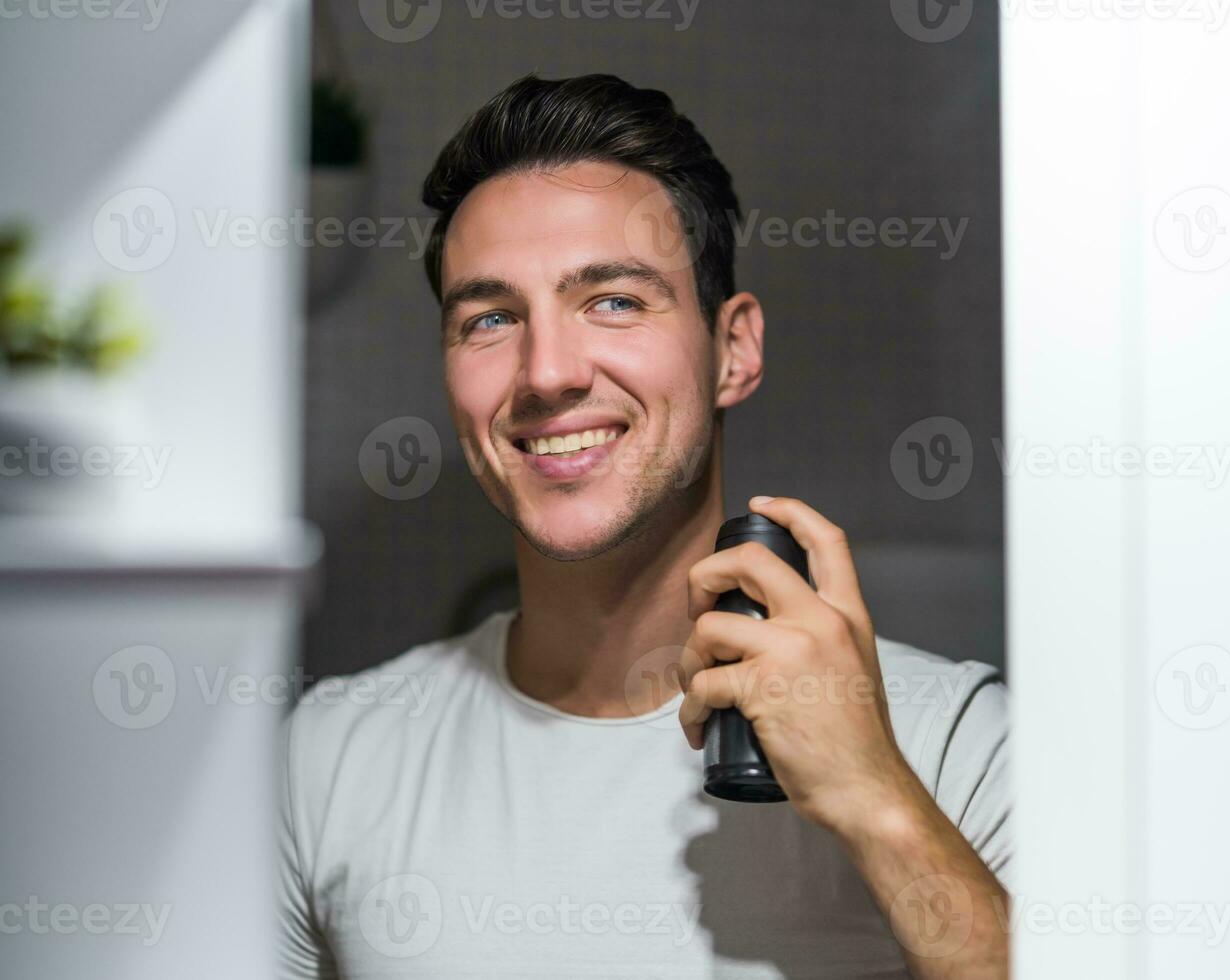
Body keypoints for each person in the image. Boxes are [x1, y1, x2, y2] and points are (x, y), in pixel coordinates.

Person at [277, 72, 1011, 979]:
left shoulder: (956, 747)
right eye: (492, 317)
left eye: (614, 300)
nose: (546, 372)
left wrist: (875, 799)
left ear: (732, 351)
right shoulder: (329, 759)